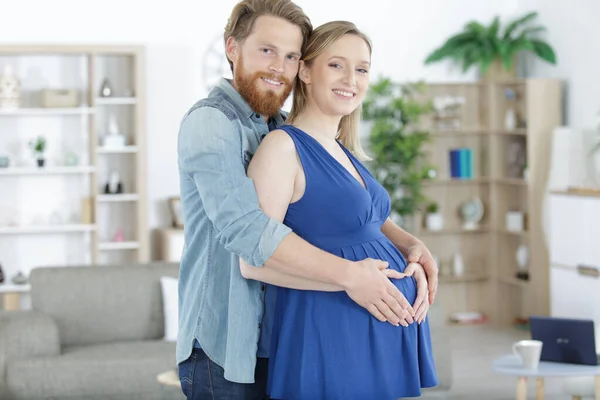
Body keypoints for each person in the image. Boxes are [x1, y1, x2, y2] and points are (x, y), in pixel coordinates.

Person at [176, 0, 439, 398]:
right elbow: (250, 234)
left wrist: (408, 245)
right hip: (226, 342)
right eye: (267, 50)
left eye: (290, 55)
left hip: (276, 333)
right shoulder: (214, 123)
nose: (278, 67)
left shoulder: (279, 125)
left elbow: (344, 211)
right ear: (232, 49)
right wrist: (352, 276)